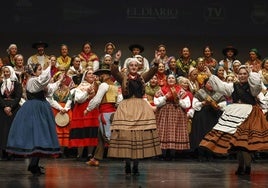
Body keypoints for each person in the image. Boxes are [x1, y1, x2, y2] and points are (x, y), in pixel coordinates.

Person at [199, 65, 268, 175]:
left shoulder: (253, 86)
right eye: (240, 74)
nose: (242, 76)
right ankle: (241, 166)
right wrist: (210, 75)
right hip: (235, 114)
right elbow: (221, 86)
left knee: (244, 144)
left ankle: (248, 167)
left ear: (248, 75)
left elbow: (257, 85)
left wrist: (252, 73)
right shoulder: (233, 86)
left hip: (249, 115)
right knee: (237, 144)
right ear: (237, 75)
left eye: (245, 73)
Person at [107, 50, 162, 176]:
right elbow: (114, 72)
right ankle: (127, 164)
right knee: (127, 136)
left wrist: (157, 61)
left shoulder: (142, 78)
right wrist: (116, 60)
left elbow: (152, 71)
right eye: (131, 65)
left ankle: (136, 165)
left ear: (138, 67)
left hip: (140, 108)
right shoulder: (123, 77)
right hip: (126, 108)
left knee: (139, 137)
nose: (133, 67)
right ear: (127, 67)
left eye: (135, 66)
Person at [6, 62, 61, 176]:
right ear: (33, 71)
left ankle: (34, 164)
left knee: (40, 136)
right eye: (39, 69)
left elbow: (49, 89)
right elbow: (44, 79)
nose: (41, 71)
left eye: (41, 69)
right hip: (34, 110)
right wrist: (49, 66)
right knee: (37, 136)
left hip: (41, 108)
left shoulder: (36, 81)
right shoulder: (32, 81)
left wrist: (59, 81)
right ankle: (33, 164)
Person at [84, 66, 122, 166]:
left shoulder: (104, 85)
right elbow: (118, 100)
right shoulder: (114, 85)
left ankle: (124, 154)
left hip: (105, 114)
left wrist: (88, 109)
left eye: (100, 75)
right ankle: (96, 158)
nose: (99, 77)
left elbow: (97, 99)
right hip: (112, 112)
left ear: (105, 76)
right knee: (101, 137)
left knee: (107, 136)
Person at [154, 74, 191, 160]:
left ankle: (173, 154)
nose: (171, 79)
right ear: (166, 80)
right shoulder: (162, 90)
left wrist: (178, 100)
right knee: (164, 131)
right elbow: (157, 102)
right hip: (164, 113)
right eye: (169, 78)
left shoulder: (180, 90)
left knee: (175, 131)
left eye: (173, 78)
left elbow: (187, 104)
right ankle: (162, 154)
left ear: (175, 80)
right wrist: (165, 97)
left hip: (177, 113)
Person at [190, 78, 226, 162]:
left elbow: (224, 104)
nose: (211, 85)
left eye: (213, 83)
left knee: (212, 135)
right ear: (205, 84)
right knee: (200, 134)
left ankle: (210, 154)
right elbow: (194, 105)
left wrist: (218, 106)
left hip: (213, 116)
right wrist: (202, 103)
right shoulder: (200, 93)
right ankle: (200, 154)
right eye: (209, 83)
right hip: (201, 116)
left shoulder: (218, 94)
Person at [68, 68, 100, 161]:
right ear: (85, 76)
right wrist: (87, 93)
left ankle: (90, 154)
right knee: (81, 132)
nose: (92, 75)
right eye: (89, 73)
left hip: (93, 111)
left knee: (91, 131)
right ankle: (79, 154)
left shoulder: (97, 85)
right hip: (82, 111)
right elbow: (78, 99)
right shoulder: (81, 86)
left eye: (93, 74)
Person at [0, 66, 22, 160]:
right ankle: (4, 152)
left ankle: (13, 152)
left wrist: (10, 107)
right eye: (4, 72)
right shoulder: (0, 84)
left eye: (7, 72)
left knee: (13, 130)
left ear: (11, 72)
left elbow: (18, 97)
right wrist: (5, 107)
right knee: (3, 131)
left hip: (14, 109)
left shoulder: (17, 84)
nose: (6, 73)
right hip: (2, 109)